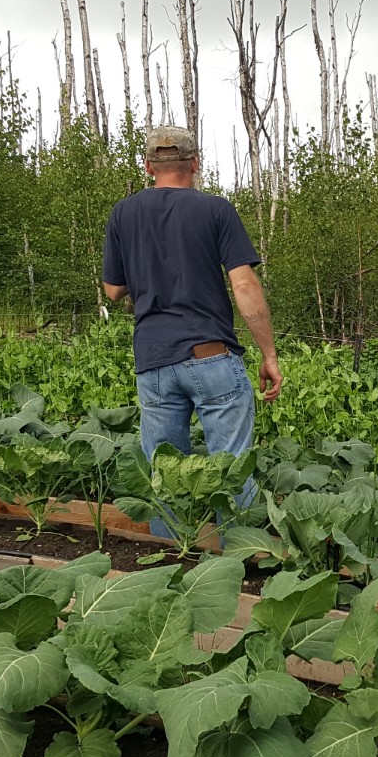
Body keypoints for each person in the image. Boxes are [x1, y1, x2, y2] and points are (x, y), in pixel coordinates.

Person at [101, 126, 282, 493]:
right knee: (230, 474)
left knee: (167, 477)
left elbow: (114, 290)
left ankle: (171, 547)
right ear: (195, 163)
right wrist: (269, 354)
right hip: (209, 355)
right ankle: (234, 547)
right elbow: (244, 284)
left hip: (153, 360)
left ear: (149, 166)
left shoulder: (124, 213)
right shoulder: (215, 209)